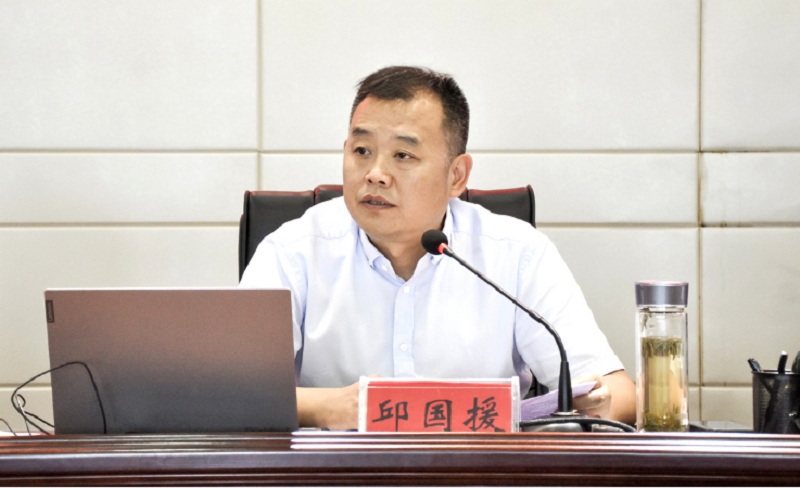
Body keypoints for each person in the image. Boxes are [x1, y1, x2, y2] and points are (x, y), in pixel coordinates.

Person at [240, 66, 636, 430]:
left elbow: (618, 394)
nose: (375, 174)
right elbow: (234, 395)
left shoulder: (517, 255)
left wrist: (596, 407)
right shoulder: (291, 253)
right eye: (362, 151)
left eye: (403, 155)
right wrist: (327, 407)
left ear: (456, 176)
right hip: (333, 472)